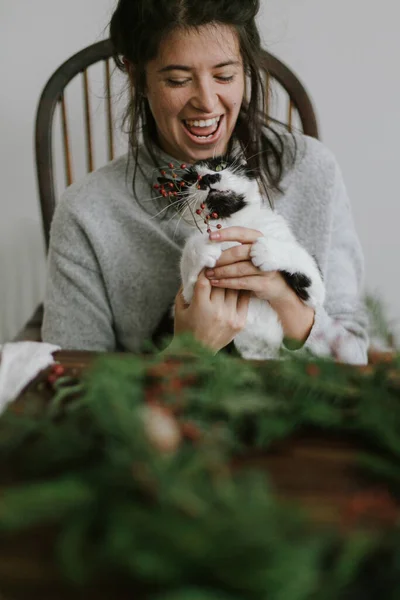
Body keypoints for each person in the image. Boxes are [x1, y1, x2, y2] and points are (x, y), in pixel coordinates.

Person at [41, 0, 369, 364]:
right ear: (137, 78)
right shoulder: (87, 213)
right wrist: (183, 354)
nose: (207, 102)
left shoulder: (311, 169)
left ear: (246, 68)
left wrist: (286, 299)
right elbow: (69, 391)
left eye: (225, 76)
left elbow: (354, 356)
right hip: (156, 419)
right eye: (178, 80)